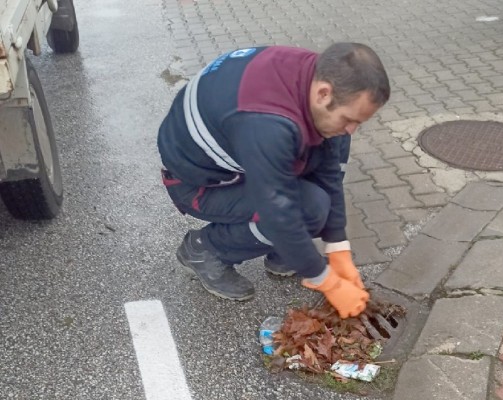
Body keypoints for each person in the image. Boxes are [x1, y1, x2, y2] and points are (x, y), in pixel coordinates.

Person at [157, 43, 390, 319]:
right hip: (196, 183)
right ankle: (205, 250)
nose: (352, 129)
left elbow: (329, 171)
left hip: (244, 150)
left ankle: (289, 250)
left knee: (336, 142)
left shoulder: (315, 78)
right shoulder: (266, 125)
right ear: (324, 93)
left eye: (359, 122)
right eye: (349, 119)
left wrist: (338, 249)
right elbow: (279, 213)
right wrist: (327, 281)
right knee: (308, 209)